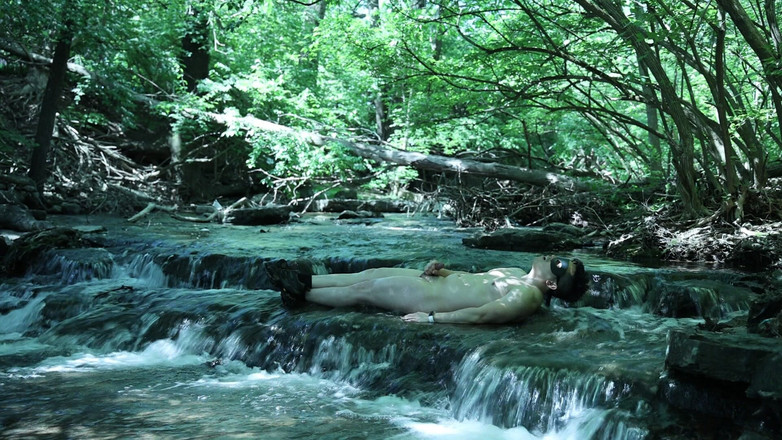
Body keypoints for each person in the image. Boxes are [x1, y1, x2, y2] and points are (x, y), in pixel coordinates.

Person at [266, 255, 588, 325]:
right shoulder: (514, 273)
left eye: (559, 267)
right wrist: (443, 270)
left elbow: (484, 313)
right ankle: (304, 281)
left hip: (427, 298)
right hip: (434, 281)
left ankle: (299, 293)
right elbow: (470, 274)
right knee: (373, 272)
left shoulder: (529, 295)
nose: (554, 259)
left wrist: (431, 318)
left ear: (551, 284)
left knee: (366, 288)